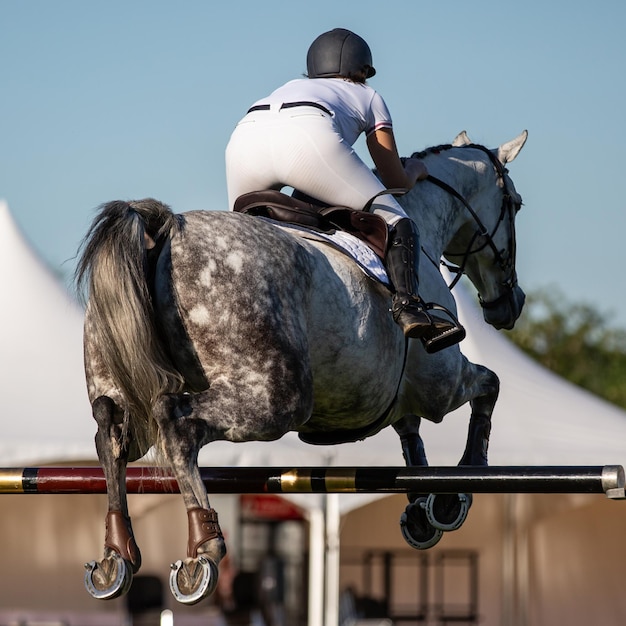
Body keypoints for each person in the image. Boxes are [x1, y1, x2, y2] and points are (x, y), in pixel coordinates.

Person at [225, 28, 464, 352]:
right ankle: (409, 307)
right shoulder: (368, 95)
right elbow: (395, 181)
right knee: (398, 221)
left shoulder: (287, 87)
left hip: (244, 141)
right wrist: (417, 169)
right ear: (362, 71)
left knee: (239, 237)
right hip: (308, 139)